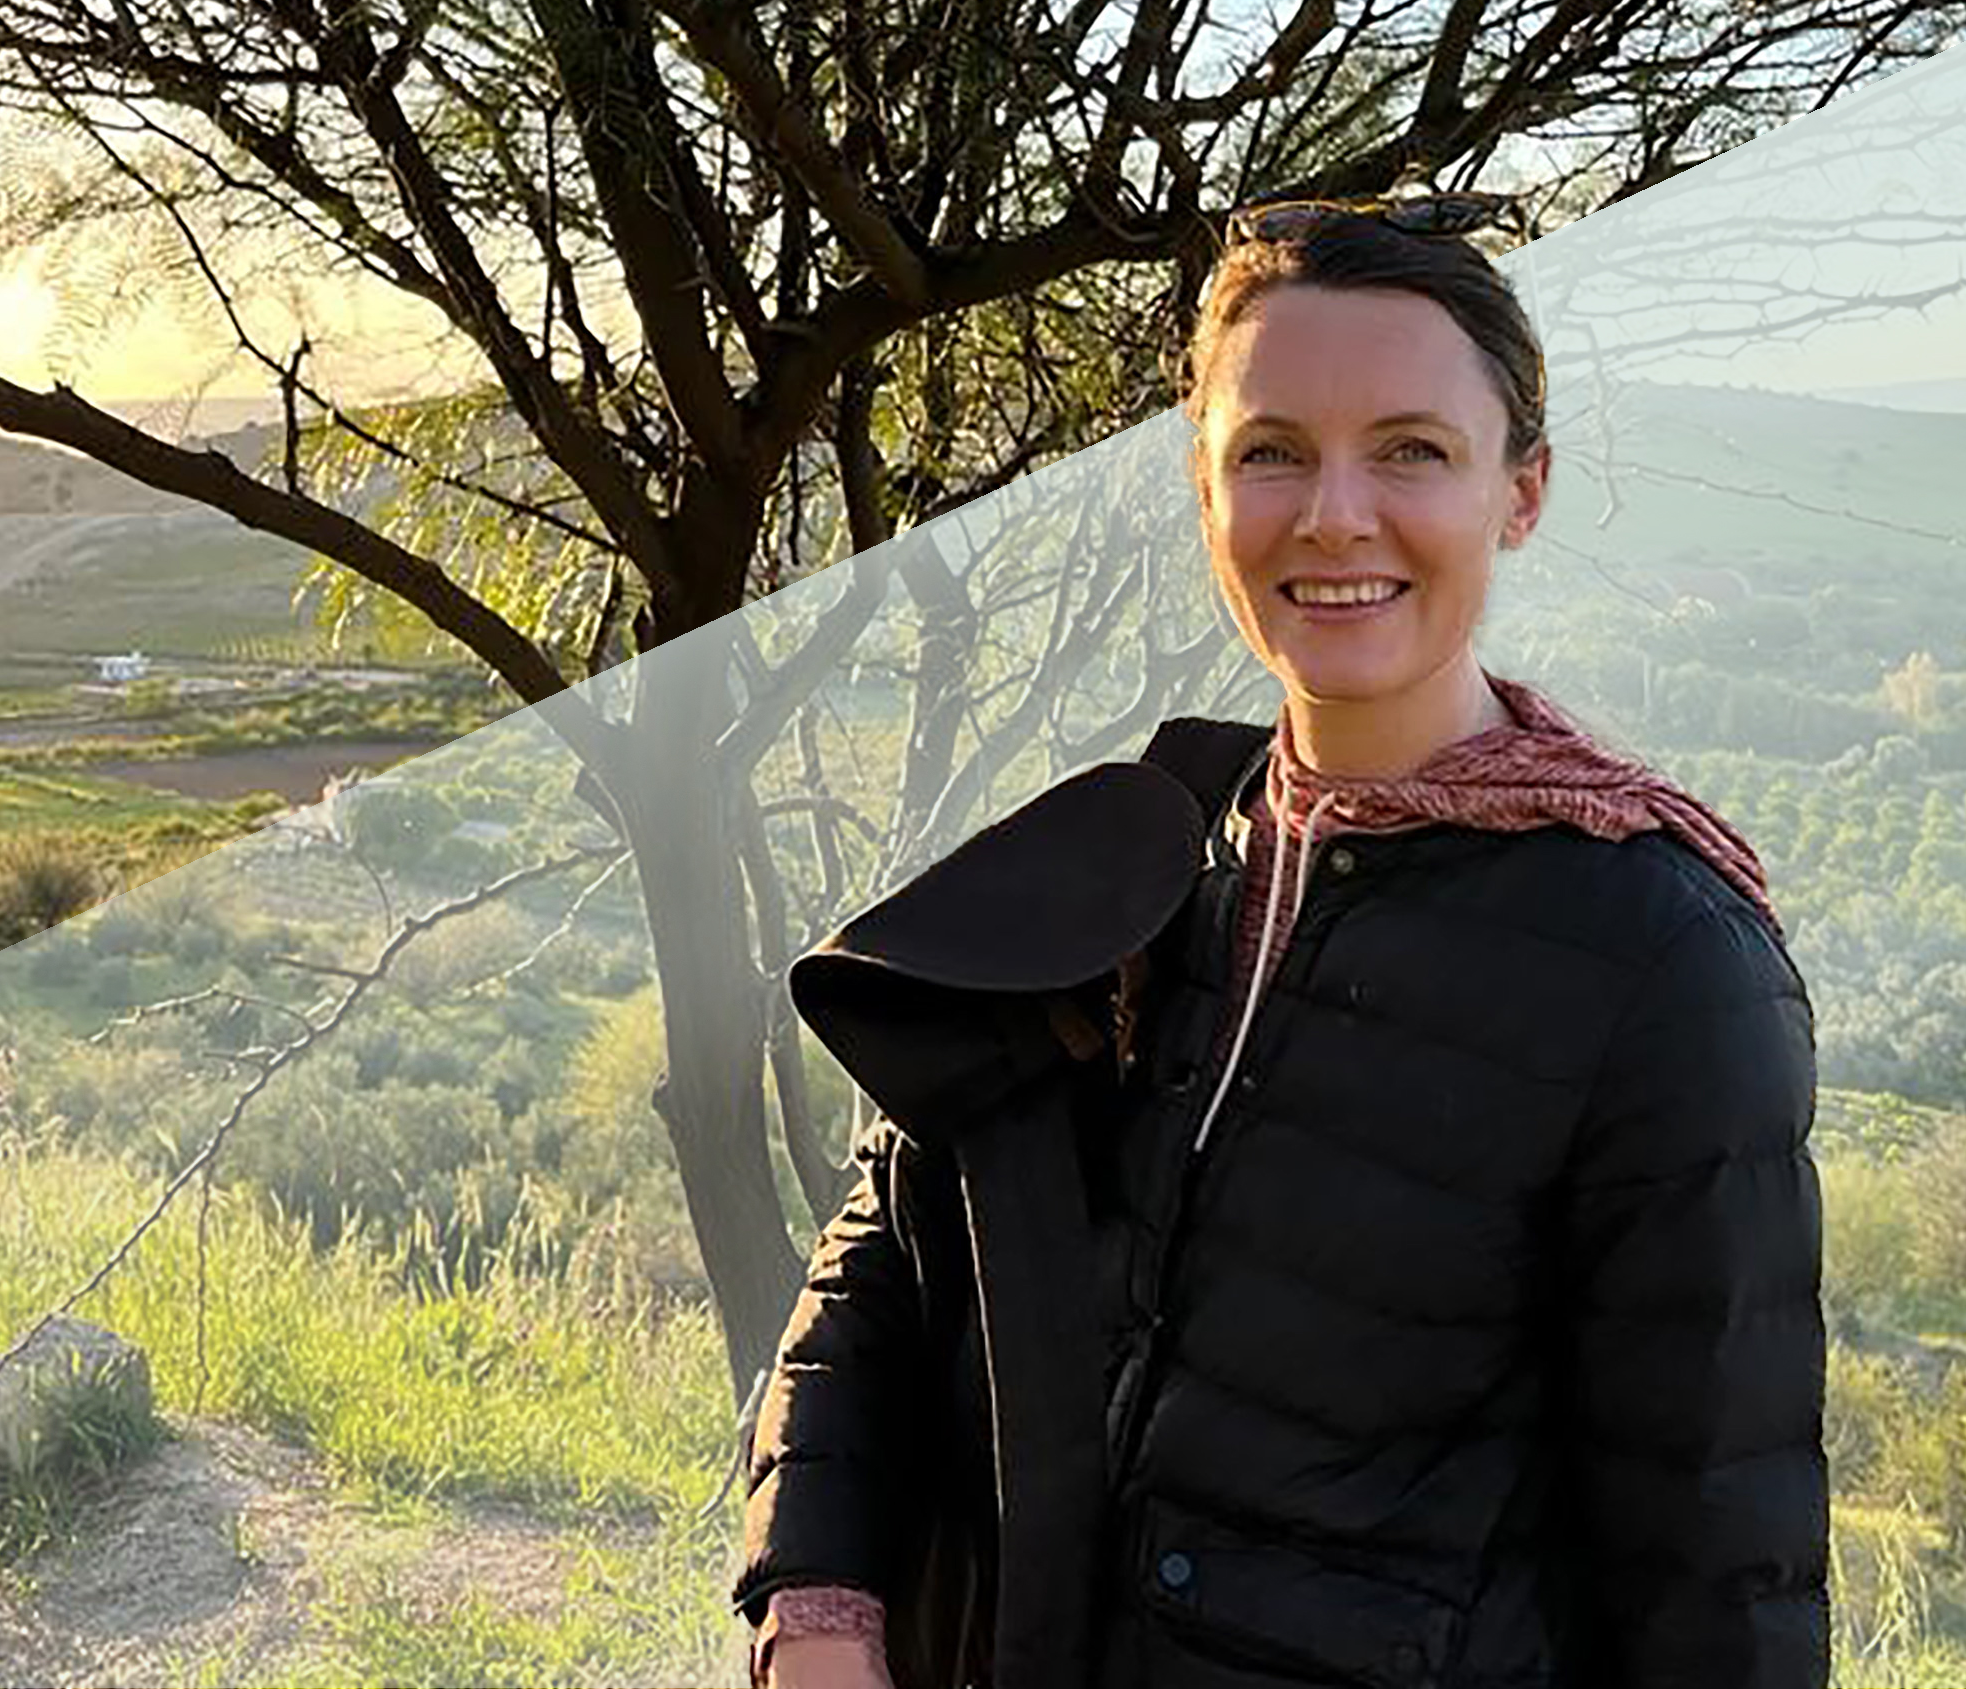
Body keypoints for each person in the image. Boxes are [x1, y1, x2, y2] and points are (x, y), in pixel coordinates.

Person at [730, 194, 1829, 1689]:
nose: (1334, 515)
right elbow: (894, 1244)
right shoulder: (1142, 847)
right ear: (1204, 489)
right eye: (1271, 452)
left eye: (1411, 450)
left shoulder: (1660, 957)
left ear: (1520, 492)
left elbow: (1721, 1579)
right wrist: (817, 1608)